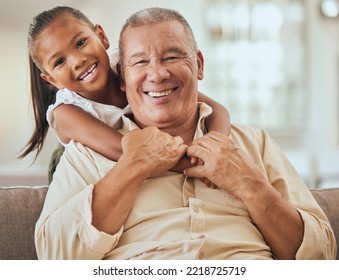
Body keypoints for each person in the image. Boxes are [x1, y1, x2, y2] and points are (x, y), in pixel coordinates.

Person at [35, 7, 336, 260]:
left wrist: (248, 183)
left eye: (172, 57)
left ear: (199, 65)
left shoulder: (255, 143)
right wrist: (132, 166)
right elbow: (54, 257)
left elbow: (321, 256)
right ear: (123, 77)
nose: (157, 74)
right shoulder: (83, 150)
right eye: (140, 62)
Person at [20, 6, 230, 172]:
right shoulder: (66, 112)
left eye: (80, 43)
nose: (77, 61)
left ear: (101, 36)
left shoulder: (132, 66)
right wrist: (196, 162)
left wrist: (217, 147)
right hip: (82, 163)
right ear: (51, 80)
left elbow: (216, 109)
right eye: (59, 62)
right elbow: (129, 152)